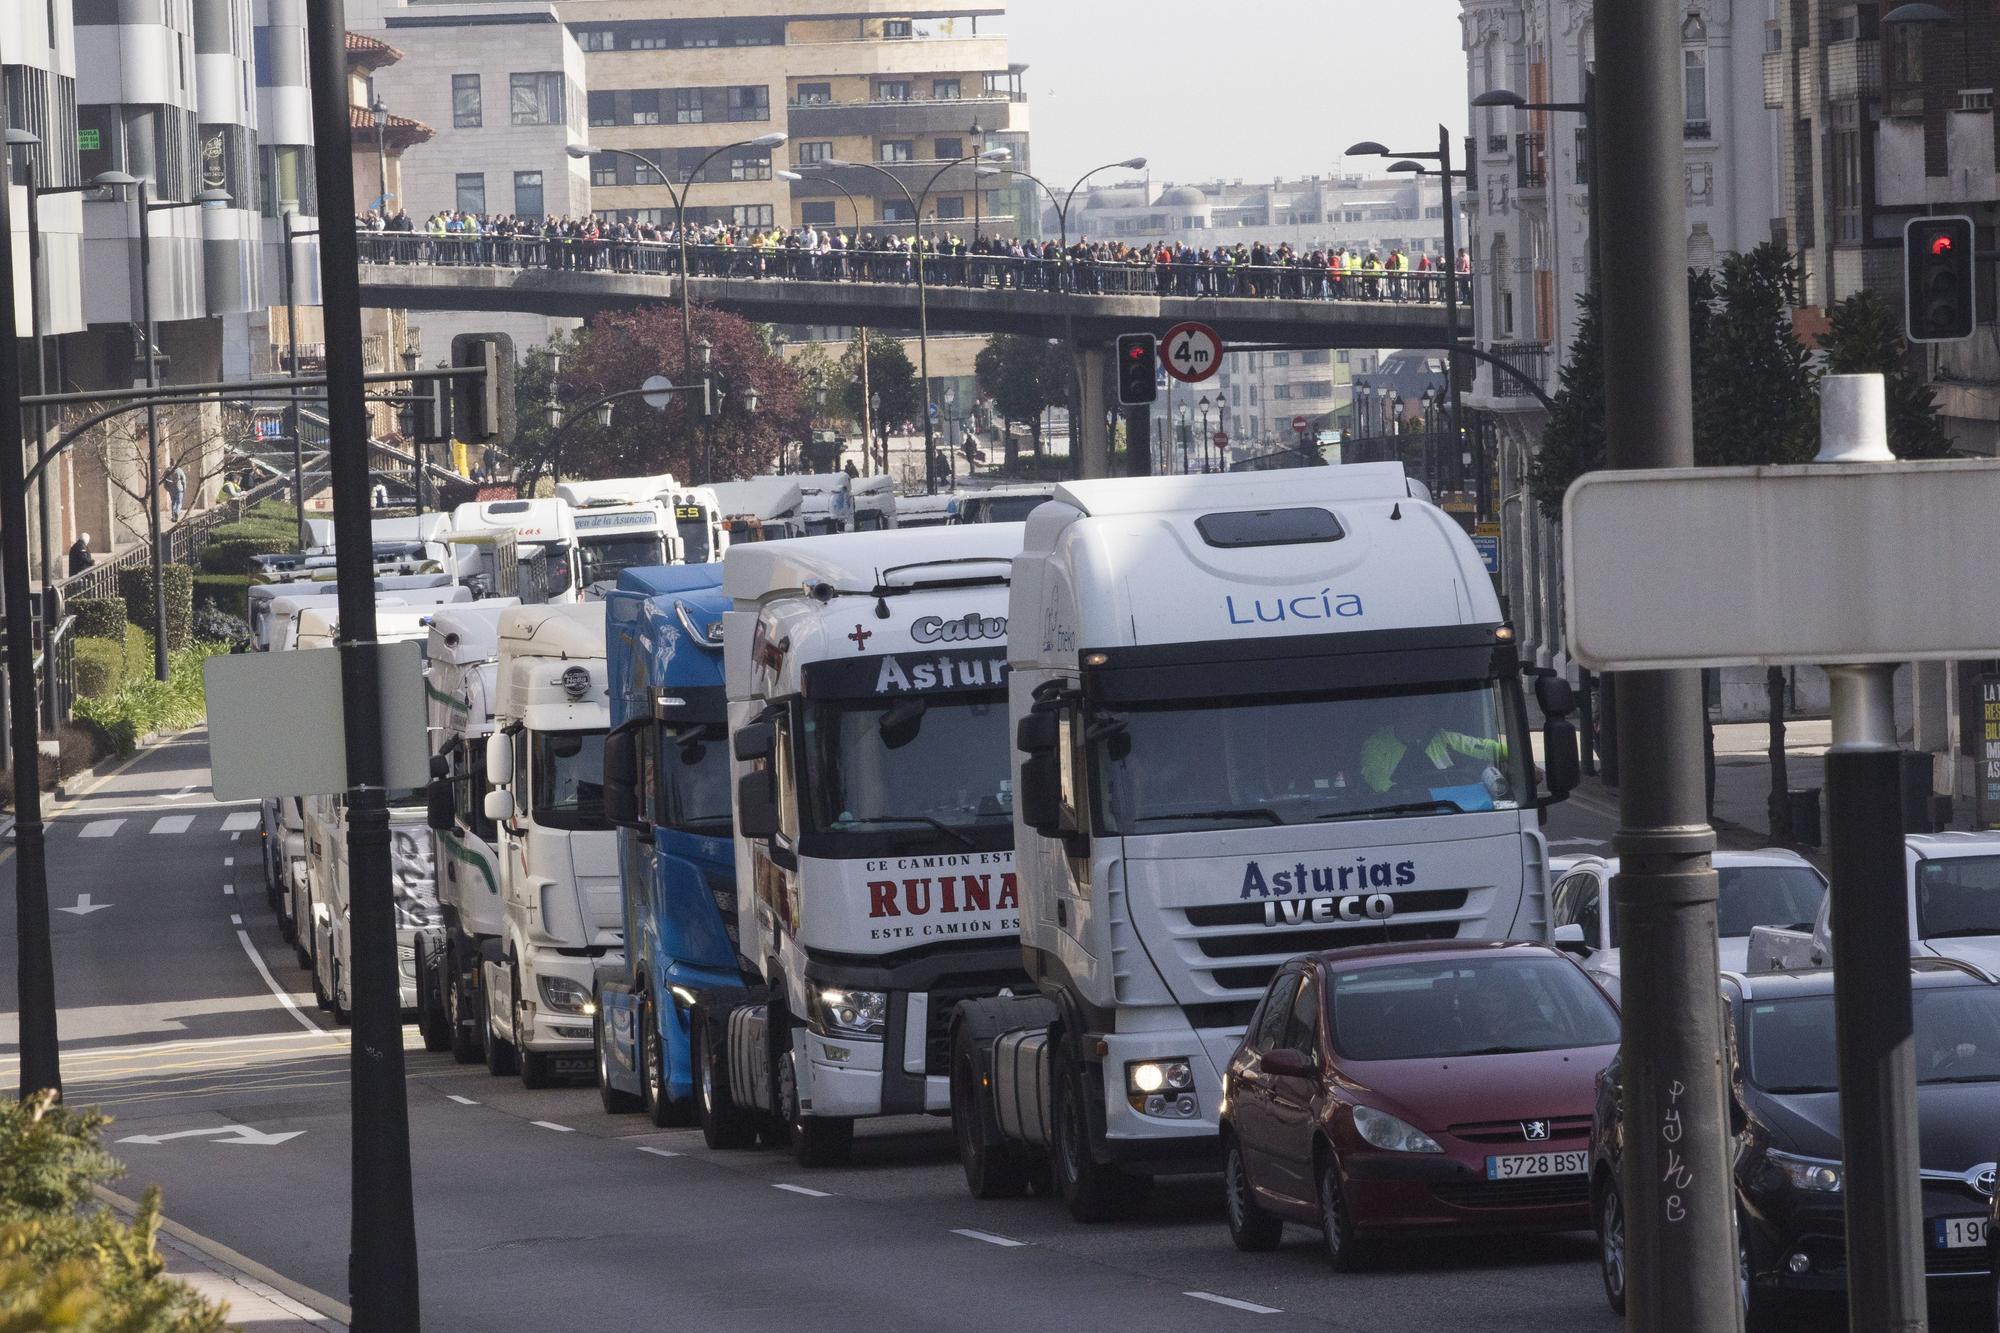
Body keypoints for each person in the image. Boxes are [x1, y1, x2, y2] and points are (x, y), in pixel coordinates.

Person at [1358, 693, 1509, 798]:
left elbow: (1482, 747)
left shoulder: (1442, 738)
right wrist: (1397, 793)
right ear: (1402, 712)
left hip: (1452, 808)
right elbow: (1374, 774)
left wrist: (1517, 755)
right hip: (1402, 813)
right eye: (1417, 710)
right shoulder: (1377, 744)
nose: (1425, 717)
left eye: (1427, 711)